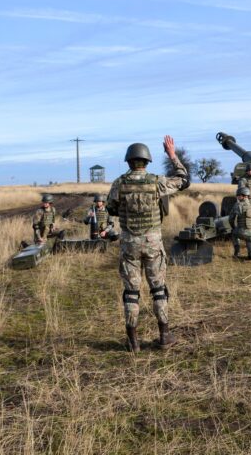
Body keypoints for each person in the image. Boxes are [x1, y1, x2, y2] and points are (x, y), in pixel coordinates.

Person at [106, 136, 189, 352]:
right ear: (147, 161)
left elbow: (111, 208)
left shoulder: (119, 183)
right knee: (158, 289)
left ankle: (133, 341)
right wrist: (172, 156)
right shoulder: (157, 182)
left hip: (129, 243)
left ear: (128, 162)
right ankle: (164, 336)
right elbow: (184, 180)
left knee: (131, 292)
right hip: (153, 242)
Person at [229, 186, 251, 263]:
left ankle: (237, 251)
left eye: (238, 195)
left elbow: (231, 219)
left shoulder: (238, 205)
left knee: (233, 234)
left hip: (242, 231)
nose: (237, 197)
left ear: (243, 196)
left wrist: (233, 227)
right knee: (250, 243)